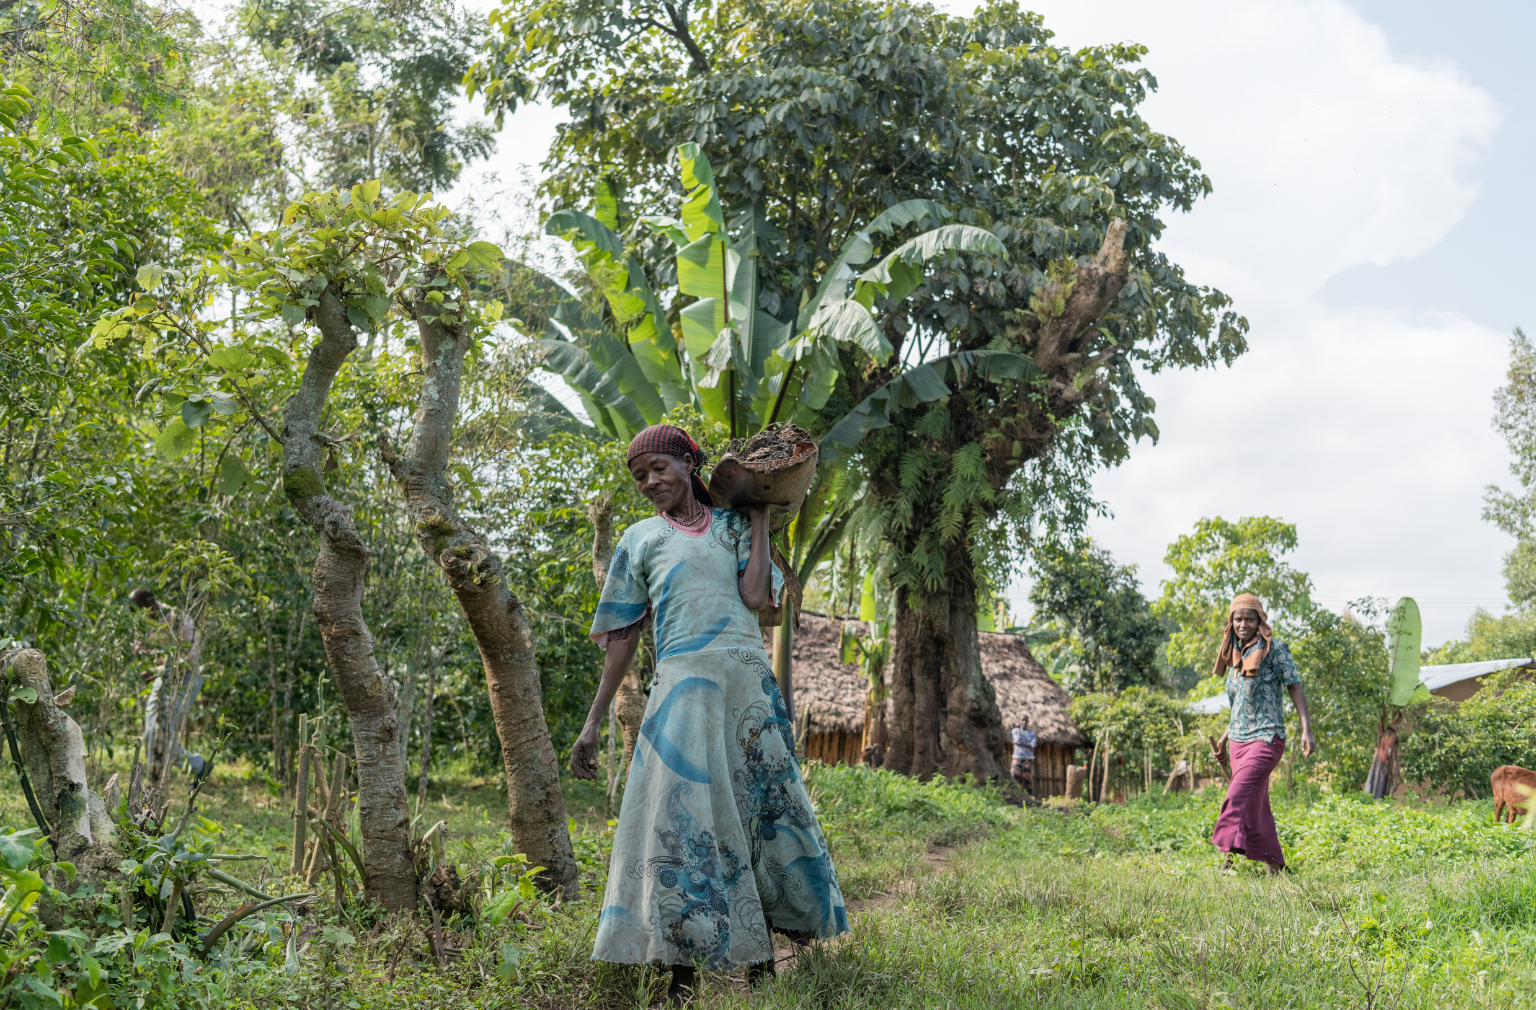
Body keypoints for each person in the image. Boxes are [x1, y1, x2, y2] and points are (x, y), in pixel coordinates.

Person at [572, 424, 849, 1005]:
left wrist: (760, 516)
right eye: (640, 475)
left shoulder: (733, 526)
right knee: (682, 825)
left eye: (660, 469)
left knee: (762, 813)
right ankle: (681, 975)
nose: (650, 482)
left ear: (688, 465)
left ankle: (763, 965)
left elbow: (757, 599)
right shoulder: (639, 539)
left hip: (747, 690)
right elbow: (622, 637)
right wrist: (593, 721)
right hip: (682, 696)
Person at [1209, 593, 1316, 873]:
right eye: (1238, 618)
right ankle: (1275, 866)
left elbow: (1294, 685)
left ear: (1260, 621)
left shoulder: (1274, 649)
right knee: (1256, 804)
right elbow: (1239, 706)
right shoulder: (1233, 654)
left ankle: (1224, 853)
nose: (1243, 623)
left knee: (1237, 793)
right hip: (1237, 740)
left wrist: (1307, 728)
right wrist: (1223, 740)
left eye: (1249, 618)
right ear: (1231, 621)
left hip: (1267, 738)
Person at [1010, 715, 1037, 793]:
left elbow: (1033, 745)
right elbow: (1017, 739)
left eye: (1026, 720)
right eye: (1022, 720)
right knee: (1014, 774)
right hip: (1017, 757)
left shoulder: (1032, 733)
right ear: (1019, 721)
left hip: (1028, 758)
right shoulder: (1015, 731)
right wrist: (1027, 743)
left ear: (1028, 722)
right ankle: (1014, 792)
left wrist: (1020, 743)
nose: (1024, 722)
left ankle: (1026, 794)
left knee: (1026, 777)